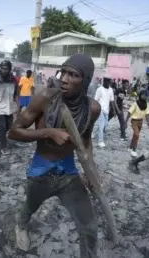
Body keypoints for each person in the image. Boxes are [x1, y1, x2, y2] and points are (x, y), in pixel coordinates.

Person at [8, 54, 100, 257]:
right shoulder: (45, 98)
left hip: (69, 172)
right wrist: (48, 132)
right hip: (42, 170)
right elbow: (13, 131)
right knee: (30, 206)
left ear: (85, 81)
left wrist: (91, 171)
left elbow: (85, 141)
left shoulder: (92, 108)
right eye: (63, 72)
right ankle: (21, 226)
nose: (64, 79)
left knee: (89, 227)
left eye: (73, 75)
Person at [0, 60, 18, 155]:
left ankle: (0, 134)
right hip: (0, 106)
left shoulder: (13, 80)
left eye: (6, 69)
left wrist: (17, 106)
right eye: (2, 68)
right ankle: (3, 147)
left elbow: (16, 94)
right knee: (3, 126)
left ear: (9, 69)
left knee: (9, 126)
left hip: (10, 106)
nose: (3, 70)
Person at [125, 90, 149, 157]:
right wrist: (126, 121)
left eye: (145, 95)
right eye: (143, 95)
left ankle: (130, 147)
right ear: (140, 95)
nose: (144, 96)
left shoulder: (146, 104)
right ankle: (134, 150)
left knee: (135, 135)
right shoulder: (135, 104)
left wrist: (148, 122)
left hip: (140, 121)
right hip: (134, 121)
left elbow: (147, 114)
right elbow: (129, 112)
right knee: (137, 134)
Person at [94, 75, 117, 148]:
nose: (109, 83)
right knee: (101, 125)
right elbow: (95, 100)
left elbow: (112, 101)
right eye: (108, 82)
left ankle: (94, 133)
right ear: (104, 81)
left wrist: (114, 110)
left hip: (106, 110)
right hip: (100, 109)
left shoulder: (110, 90)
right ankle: (100, 141)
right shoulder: (99, 89)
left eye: (110, 82)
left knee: (105, 125)